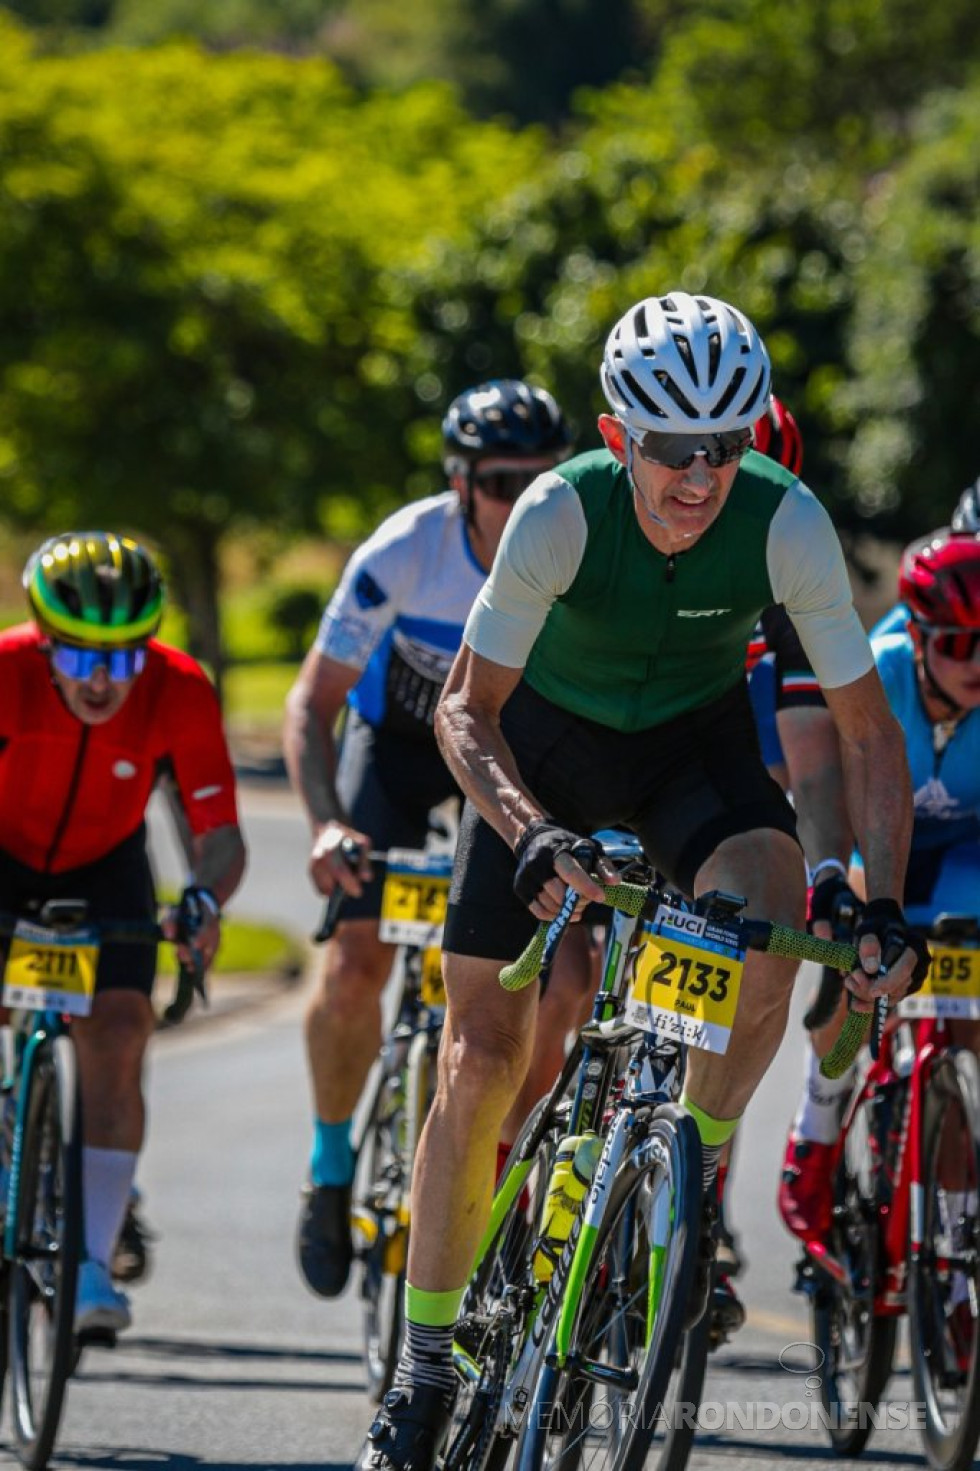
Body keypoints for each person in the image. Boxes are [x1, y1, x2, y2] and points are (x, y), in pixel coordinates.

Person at [357, 290, 928, 1471]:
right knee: (483, 1052)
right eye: (671, 448)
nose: (697, 477)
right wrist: (523, 833)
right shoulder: (562, 510)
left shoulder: (785, 520)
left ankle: (683, 1172)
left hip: (688, 749)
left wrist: (878, 903)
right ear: (621, 436)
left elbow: (869, 733)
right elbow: (467, 708)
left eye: (722, 448)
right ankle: (419, 1369)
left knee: (768, 926)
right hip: (542, 750)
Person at [283, 378, 593, 1302]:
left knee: (551, 979)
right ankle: (331, 1163)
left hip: (497, 762)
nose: (522, 498)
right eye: (502, 481)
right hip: (401, 757)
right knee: (353, 964)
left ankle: (497, 1164)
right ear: (461, 483)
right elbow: (312, 704)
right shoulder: (406, 549)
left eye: (543, 478)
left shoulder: (576, 546)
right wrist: (325, 823)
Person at [0, 531, 245, 1334]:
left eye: (122, 658)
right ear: (44, 644)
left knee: (119, 1033)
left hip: (106, 866)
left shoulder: (177, 687)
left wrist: (204, 898)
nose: (102, 681)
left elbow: (219, 832)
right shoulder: (4, 671)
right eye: (78, 660)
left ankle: (93, 1262)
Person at [778, 525, 980, 1244]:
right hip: (877, 839)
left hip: (962, 855)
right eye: (957, 643)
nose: (974, 662)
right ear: (920, 635)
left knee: (967, 1033)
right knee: (851, 945)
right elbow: (831, 797)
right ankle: (819, 1121)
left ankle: (957, 1247)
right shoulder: (876, 671)